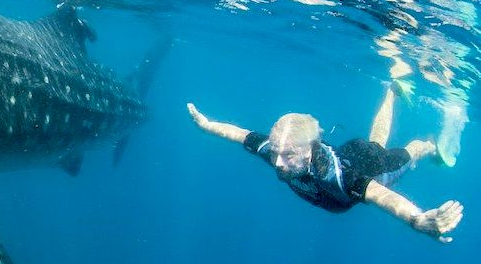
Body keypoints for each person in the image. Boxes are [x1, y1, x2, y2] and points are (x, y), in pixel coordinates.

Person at [186, 85, 463, 243]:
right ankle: (391, 92)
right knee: (375, 140)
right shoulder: (275, 151)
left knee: (402, 154)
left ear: (309, 151)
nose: (278, 163)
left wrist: (416, 219)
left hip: (373, 168)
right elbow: (238, 134)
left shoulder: (341, 178)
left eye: (288, 155)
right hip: (353, 151)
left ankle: (428, 147)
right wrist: (207, 124)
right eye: (275, 153)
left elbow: (381, 195)